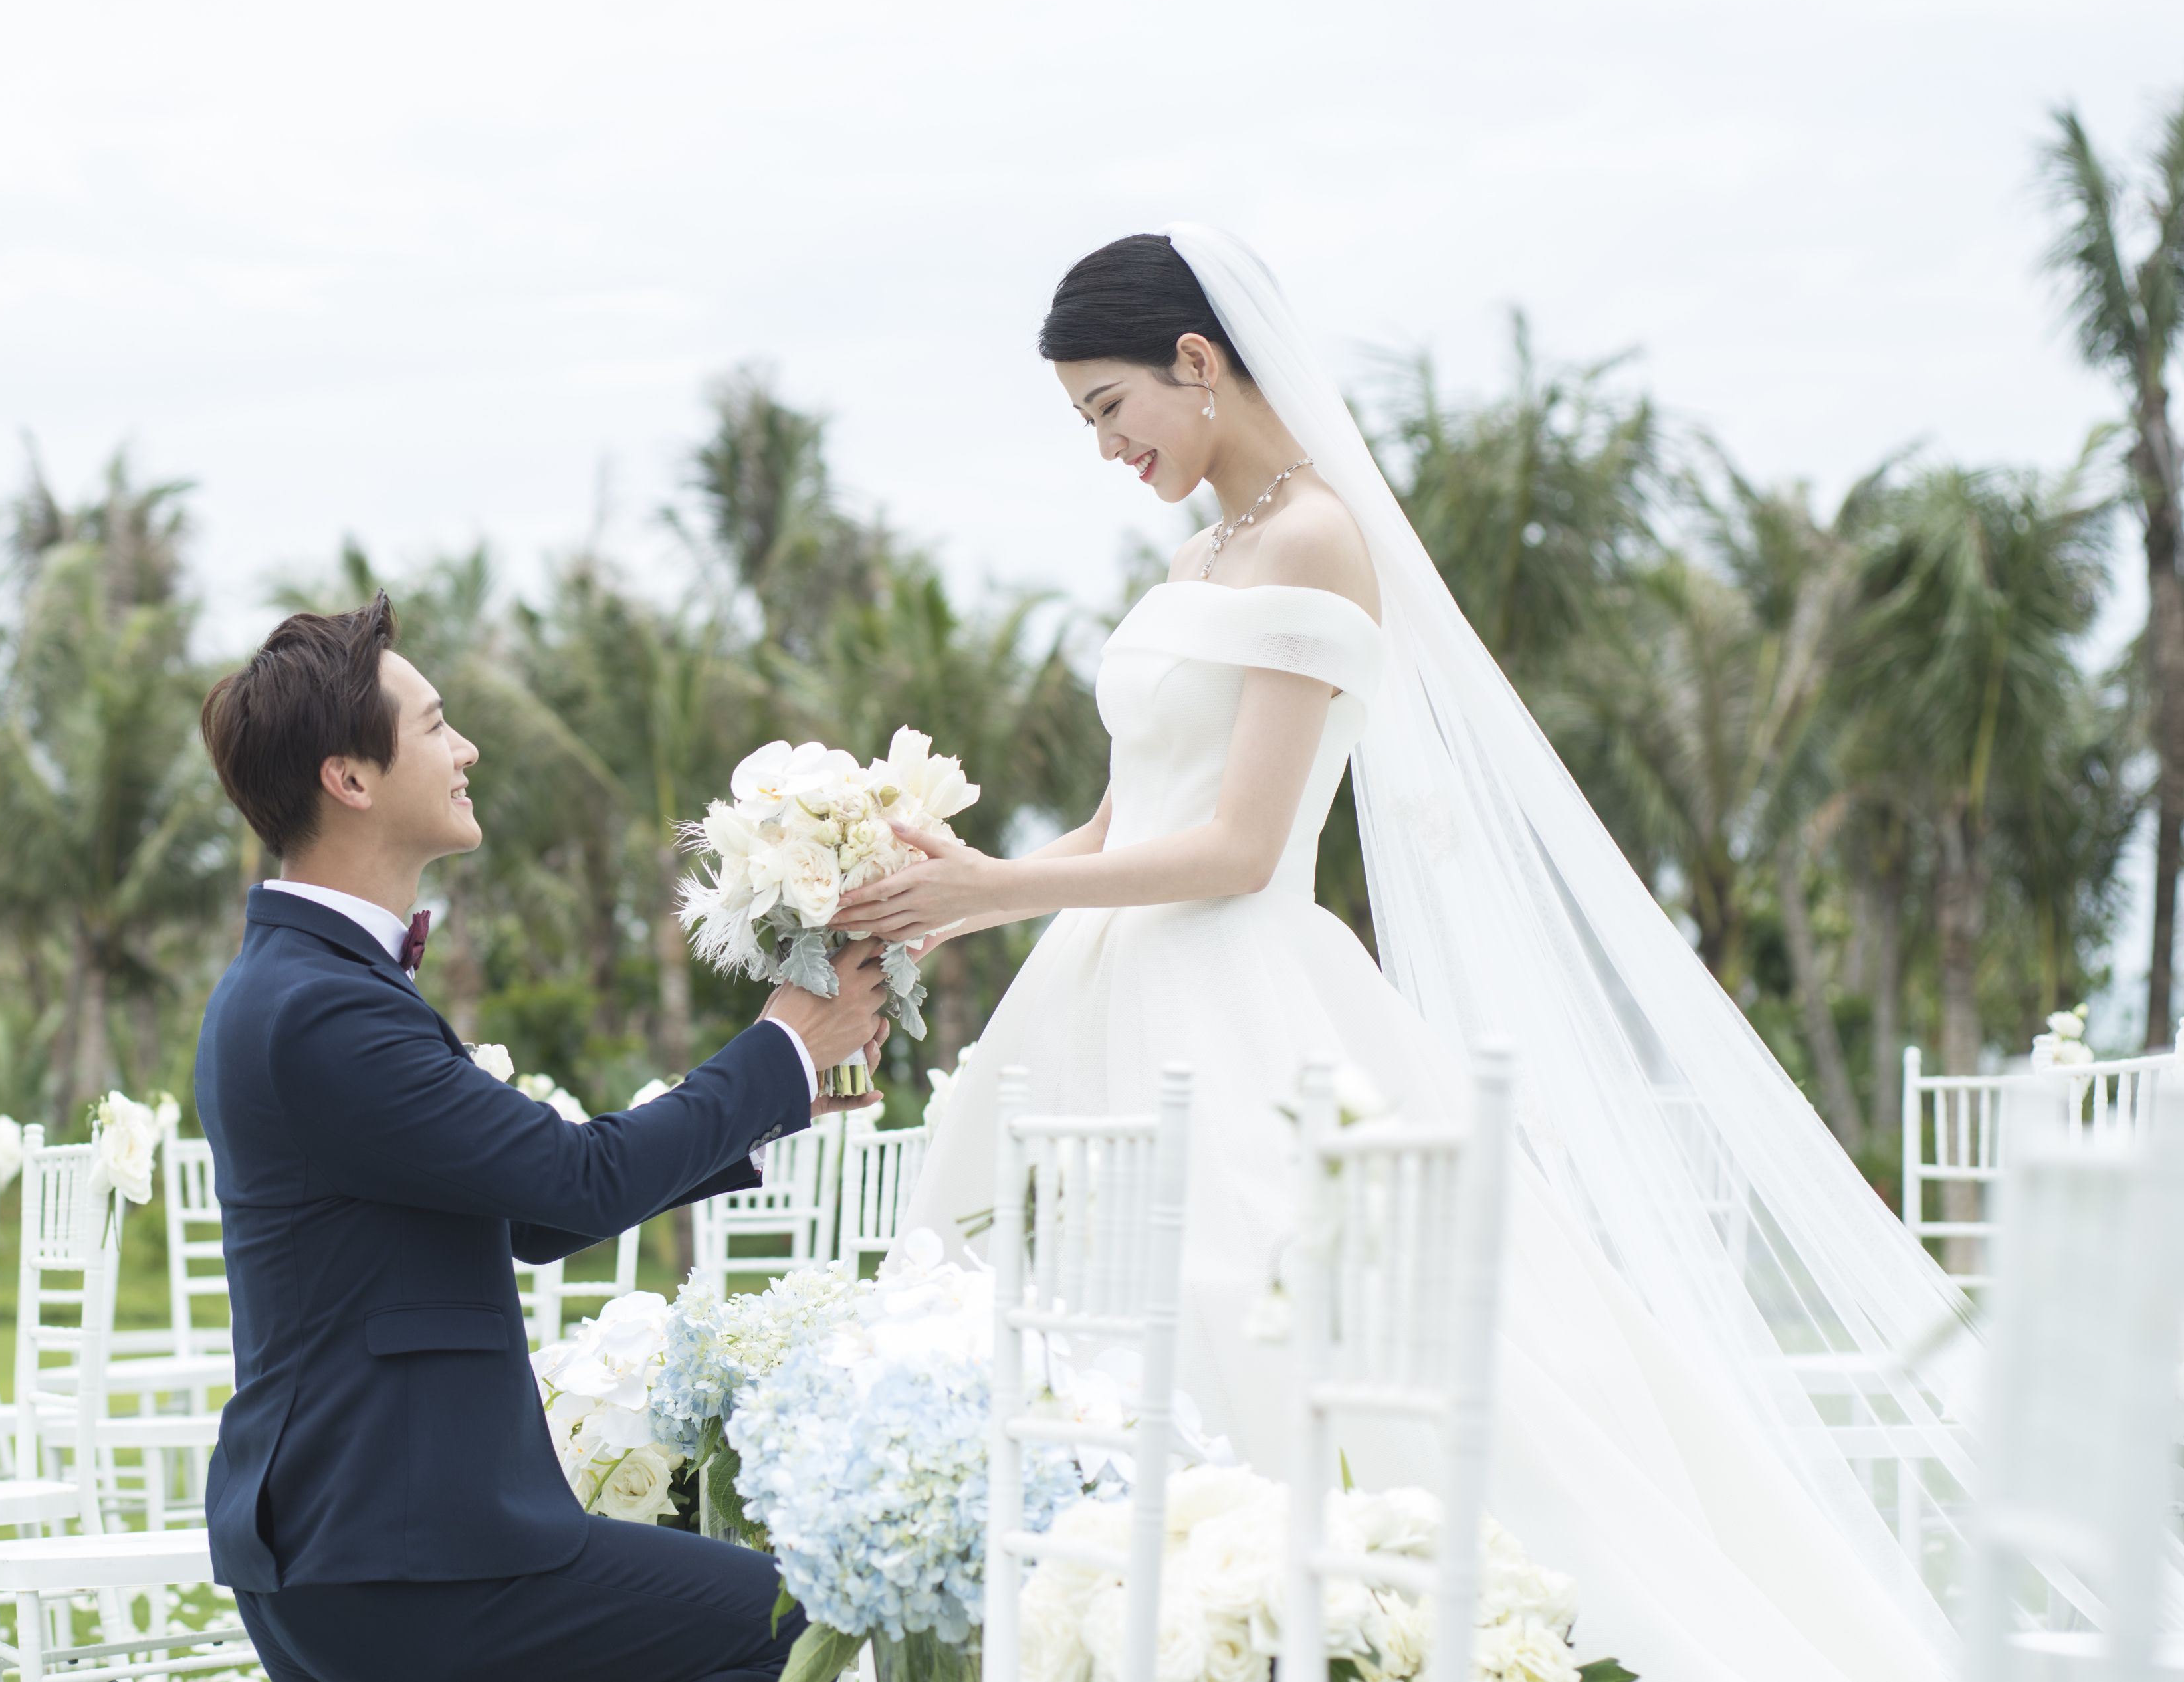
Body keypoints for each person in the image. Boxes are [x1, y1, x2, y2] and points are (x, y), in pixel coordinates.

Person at [842, 229, 2026, 1678]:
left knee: (1262, 1324)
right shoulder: (1199, 553)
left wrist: (1005, 889)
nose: (1104, 446)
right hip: (1105, 993)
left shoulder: (1316, 538)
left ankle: (1303, 1626)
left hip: (1237, 998)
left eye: (1109, 406)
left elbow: (1244, 846)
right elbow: (1123, 812)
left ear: (1196, 361)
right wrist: (962, 893)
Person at [192, 593, 891, 1682]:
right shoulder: (322, 1005)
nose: (466, 749)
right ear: (351, 778)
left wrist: (776, 1099)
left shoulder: (302, 983)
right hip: (404, 1553)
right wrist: (782, 1049)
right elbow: (574, 1179)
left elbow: (527, 1213)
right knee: (807, 1625)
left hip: (366, 1542)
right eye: (436, 725)